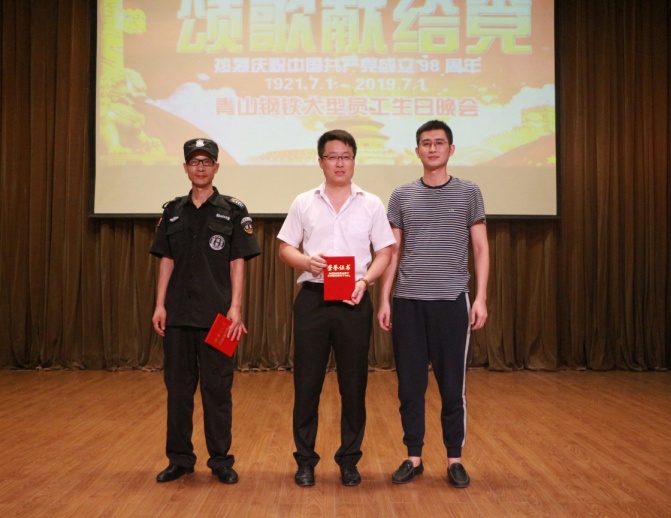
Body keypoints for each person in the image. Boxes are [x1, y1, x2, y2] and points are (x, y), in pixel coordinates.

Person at [277, 129, 396, 487]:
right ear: (321, 162)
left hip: (353, 300)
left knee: (353, 385)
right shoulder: (304, 202)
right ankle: (305, 461)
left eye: (346, 156)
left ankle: (349, 460)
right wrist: (306, 262)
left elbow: (385, 252)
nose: (339, 163)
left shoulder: (371, 203)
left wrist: (365, 282)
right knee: (307, 384)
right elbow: (285, 248)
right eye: (332, 156)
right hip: (313, 299)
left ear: (354, 160)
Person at [377, 120, 489, 488]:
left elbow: (481, 248)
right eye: (426, 143)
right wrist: (385, 298)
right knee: (410, 387)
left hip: (452, 301)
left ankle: (454, 459)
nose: (433, 148)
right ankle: (414, 457)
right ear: (417, 151)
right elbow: (392, 252)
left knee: (452, 386)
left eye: (439, 143)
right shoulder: (401, 195)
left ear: (451, 149)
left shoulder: (469, 192)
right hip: (408, 302)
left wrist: (480, 298)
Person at [150, 138, 261, 484]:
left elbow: (238, 261)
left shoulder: (233, 210)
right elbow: (166, 260)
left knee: (217, 391)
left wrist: (235, 308)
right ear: (186, 168)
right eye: (194, 162)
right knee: (178, 391)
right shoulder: (173, 211)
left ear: (216, 167)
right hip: (178, 316)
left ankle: (221, 460)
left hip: (219, 318)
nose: (200, 167)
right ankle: (180, 459)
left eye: (206, 162)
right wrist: (160, 305)